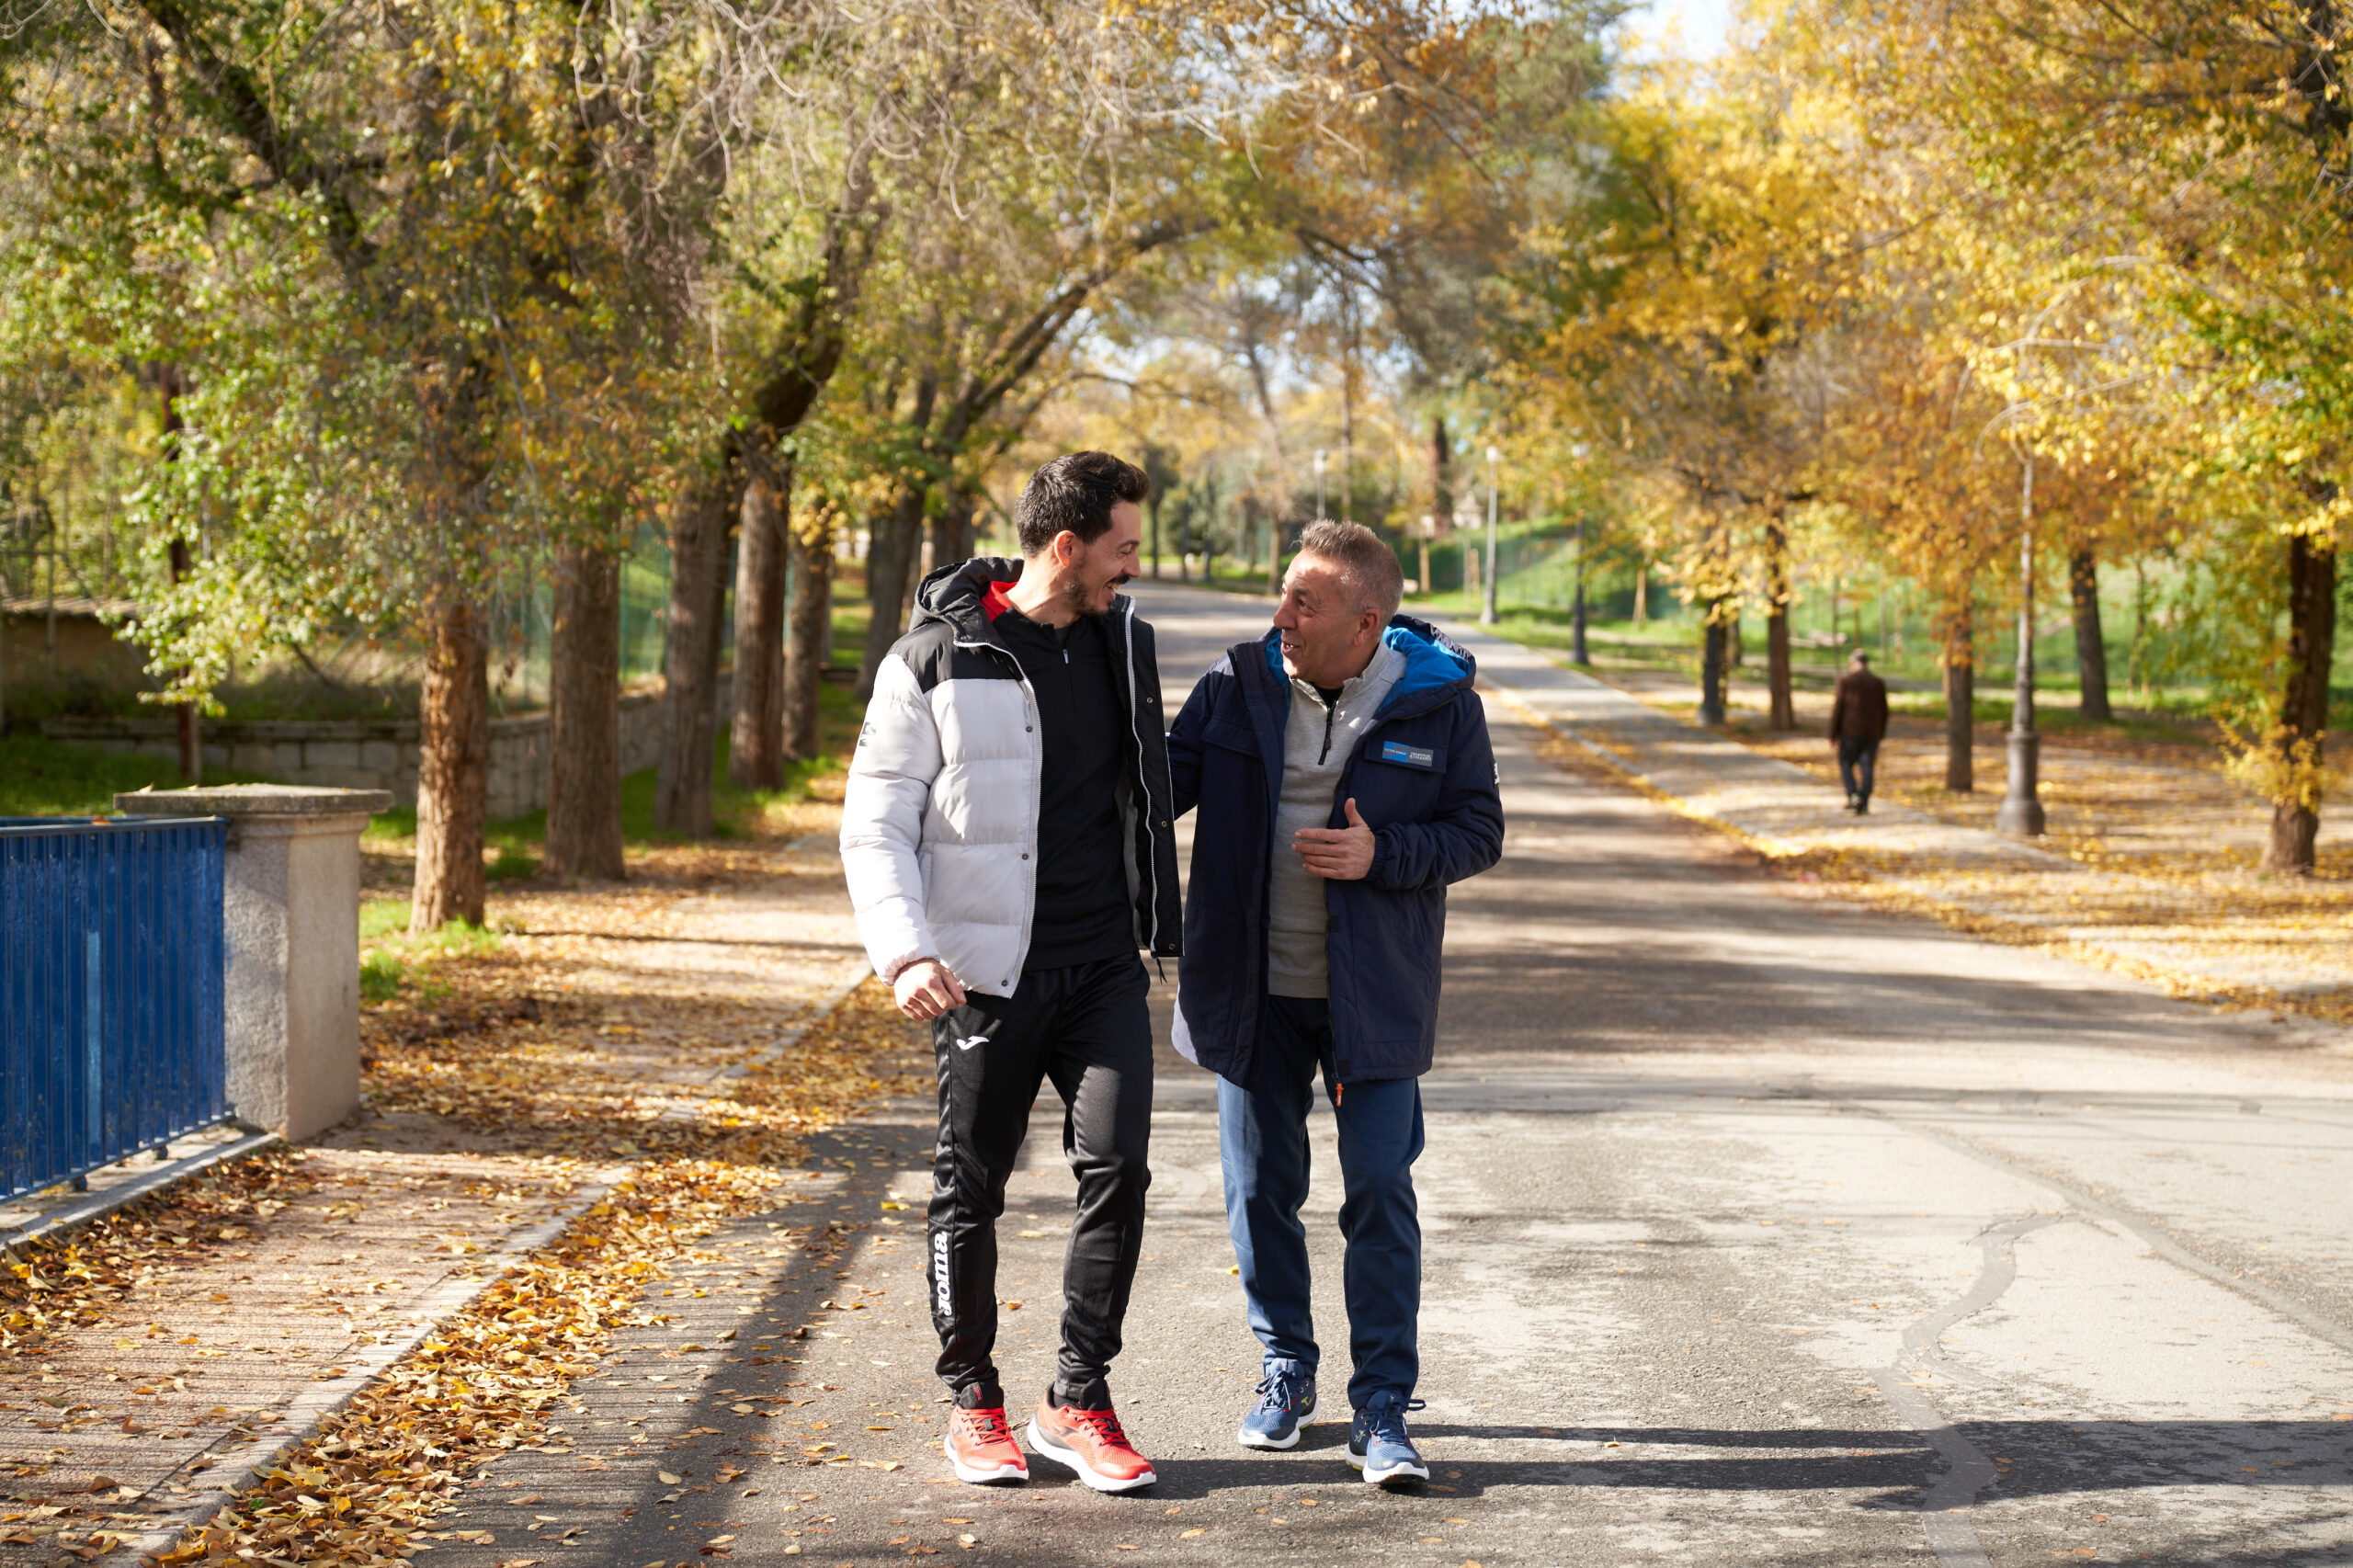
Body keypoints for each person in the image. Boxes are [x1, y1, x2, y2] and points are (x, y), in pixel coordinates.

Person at [840, 451, 1181, 1494]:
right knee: (970, 1187)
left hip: (1101, 968)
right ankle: (973, 1403)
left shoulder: (1127, 643)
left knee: (1118, 1167)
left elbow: (1150, 781)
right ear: (1066, 546)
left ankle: (1076, 1398)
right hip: (983, 973)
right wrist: (903, 950)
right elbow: (876, 818)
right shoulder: (937, 656)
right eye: (1124, 546)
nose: (1136, 566)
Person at [1164, 519, 1505, 1488]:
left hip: (1375, 999)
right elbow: (1149, 791)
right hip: (1250, 992)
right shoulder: (1235, 686)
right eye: (1282, 595)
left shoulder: (1440, 706)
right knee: (1258, 1192)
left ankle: (1383, 1401)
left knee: (1378, 1196)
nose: (1281, 617)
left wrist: (1379, 855)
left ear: (1365, 623)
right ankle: (1285, 1368)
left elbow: (1477, 831)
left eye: (1303, 604)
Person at [1827, 649, 1890, 813]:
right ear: (1866, 664)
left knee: (1845, 762)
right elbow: (1884, 710)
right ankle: (1864, 800)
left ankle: (1853, 793)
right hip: (1872, 732)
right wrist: (1881, 732)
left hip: (1850, 732)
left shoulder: (1846, 681)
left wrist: (1832, 734)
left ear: (1853, 664)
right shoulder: (1877, 682)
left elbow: (1838, 709)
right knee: (1867, 767)